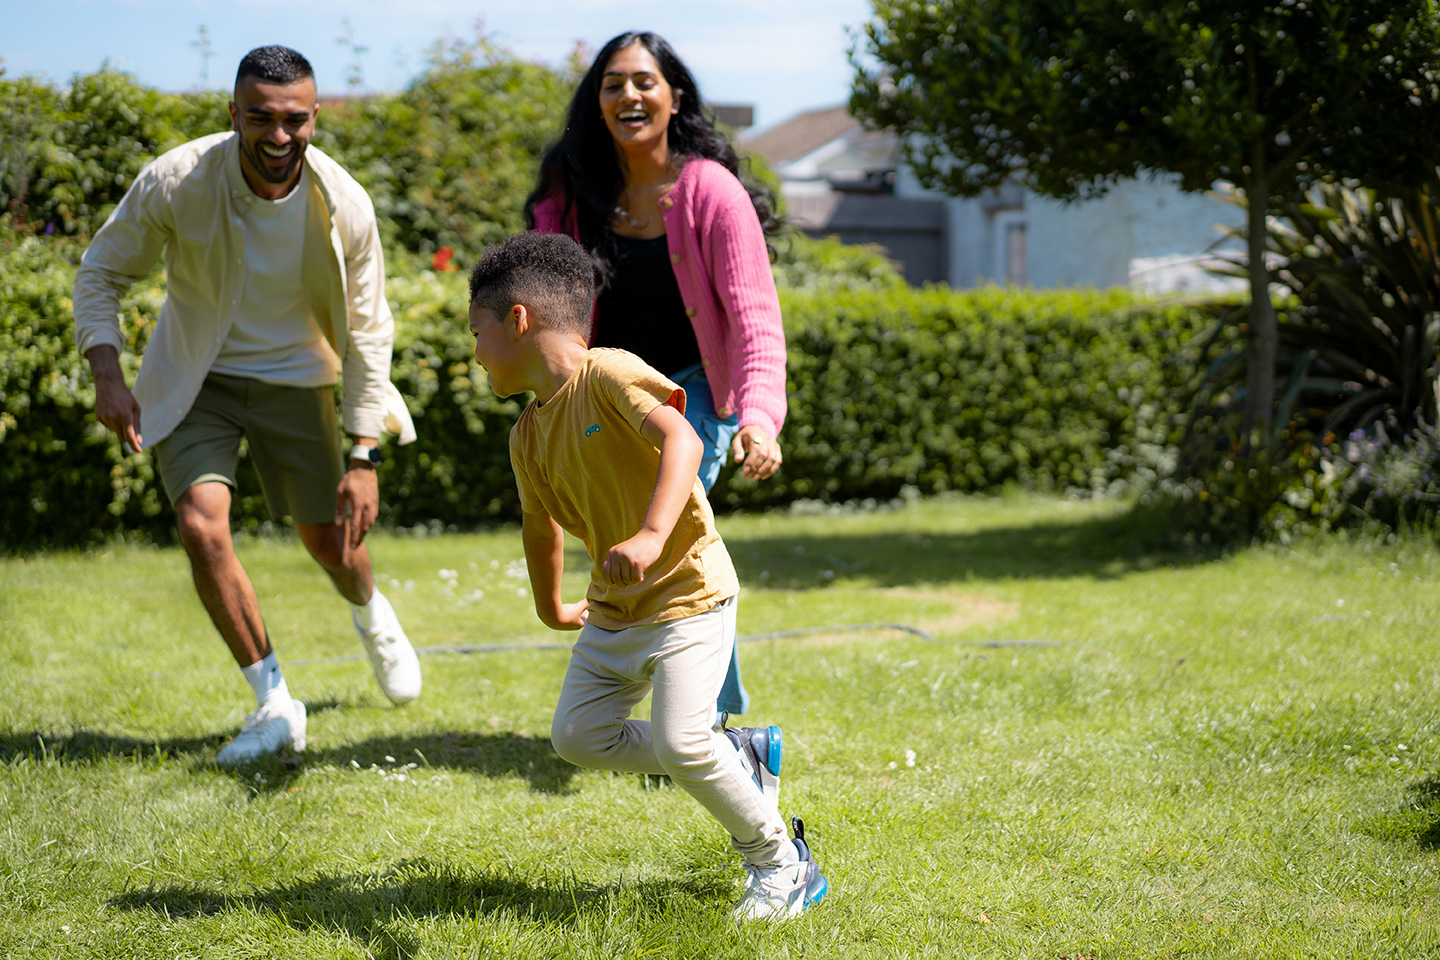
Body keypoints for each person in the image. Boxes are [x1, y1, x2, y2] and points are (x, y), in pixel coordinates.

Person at [71, 46, 422, 766]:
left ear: (315, 118)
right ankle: (273, 703)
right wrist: (106, 371)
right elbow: (102, 271)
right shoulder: (178, 180)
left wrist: (364, 452)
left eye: (294, 119)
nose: (277, 135)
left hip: (300, 379)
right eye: (259, 117)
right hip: (196, 379)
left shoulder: (345, 205)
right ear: (234, 115)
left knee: (332, 544)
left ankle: (369, 611)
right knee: (201, 525)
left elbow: (368, 331)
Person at [467, 231, 826, 920]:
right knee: (577, 736)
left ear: (519, 321)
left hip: (690, 593)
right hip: (615, 611)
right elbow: (538, 524)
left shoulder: (607, 374)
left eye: (479, 332)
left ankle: (783, 865)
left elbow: (683, 439)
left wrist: (652, 534)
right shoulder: (527, 435)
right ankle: (739, 755)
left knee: (680, 742)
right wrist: (551, 606)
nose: (476, 352)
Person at [525, 30, 787, 719]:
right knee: (647, 533)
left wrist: (759, 420)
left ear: (675, 99)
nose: (629, 95)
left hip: (695, 385)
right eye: (613, 84)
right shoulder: (571, 193)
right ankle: (699, 714)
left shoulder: (712, 192)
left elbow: (756, 316)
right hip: (606, 391)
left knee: (669, 519)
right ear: (597, 102)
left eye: (645, 81)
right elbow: (547, 306)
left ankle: (704, 720)